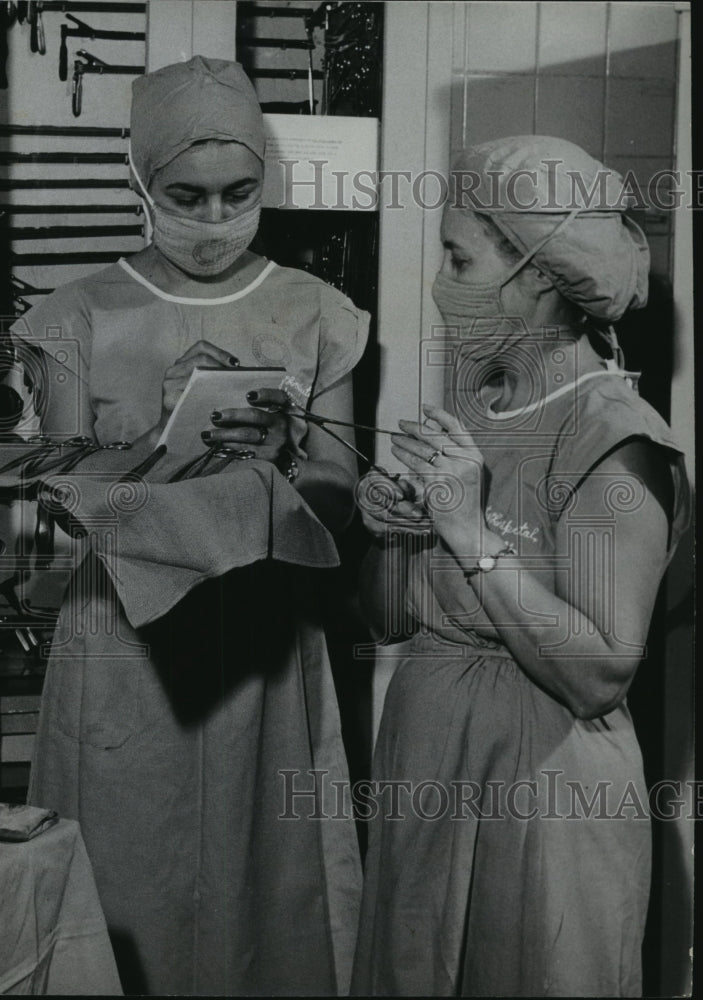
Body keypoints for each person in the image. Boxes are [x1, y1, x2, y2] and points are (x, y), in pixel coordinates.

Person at [8, 56, 366, 996]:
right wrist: (153, 443)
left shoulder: (314, 311)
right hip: (125, 643)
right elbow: (53, 497)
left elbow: (337, 501)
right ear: (142, 181)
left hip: (262, 632)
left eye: (237, 193)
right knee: (130, 885)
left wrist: (288, 445)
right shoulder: (77, 316)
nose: (213, 221)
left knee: (264, 891)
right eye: (187, 195)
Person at [351, 136, 689, 997]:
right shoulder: (471, 410)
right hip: (425, 762)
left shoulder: (617, 438)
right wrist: (390, 533)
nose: (440, 281)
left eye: (458, 258)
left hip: (542, 787)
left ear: (535, 276)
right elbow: (387, 620)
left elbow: (599, 673)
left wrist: (465, 529)